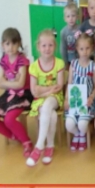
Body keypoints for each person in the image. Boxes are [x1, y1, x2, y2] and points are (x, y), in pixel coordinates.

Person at [0, 28, 33, 157]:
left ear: (19, 44)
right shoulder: (4, 59)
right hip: (10, 94)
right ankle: (15, 136)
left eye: (14, 43)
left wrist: (6, 82)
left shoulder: (22, 60)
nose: (10, 47)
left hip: (24, 94)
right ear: (2, 45)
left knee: (9, 119)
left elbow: (21, 84)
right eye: (7, 44)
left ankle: (26, 142)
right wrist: (12, 83)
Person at [26, 30, 65, 166]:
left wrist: (42, 90)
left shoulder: (59, 63)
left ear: (55, 46)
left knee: (48, 104)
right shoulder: (34, 66)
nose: (47, 48)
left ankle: (38, 146)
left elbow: (59, 86)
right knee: (51, 115)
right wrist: (48, 89)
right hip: (40, 99)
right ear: (38, 47)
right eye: (44, 45)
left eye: (50, 45)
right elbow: (33, 91)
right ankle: (50, 146)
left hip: (55, 97)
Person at [64, 33, 95, 151]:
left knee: (82, 124)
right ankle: (77, 134)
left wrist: (91, 97)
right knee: (69, 124)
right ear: (77, 49)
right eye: (81, 49)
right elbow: (69, 84)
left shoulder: (93, 66)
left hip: (87, 103)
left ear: (92, 48)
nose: (84, 51)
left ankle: (82, 134)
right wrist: (66, 99)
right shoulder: (73, 64)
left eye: (87, 48)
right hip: (74, 101)